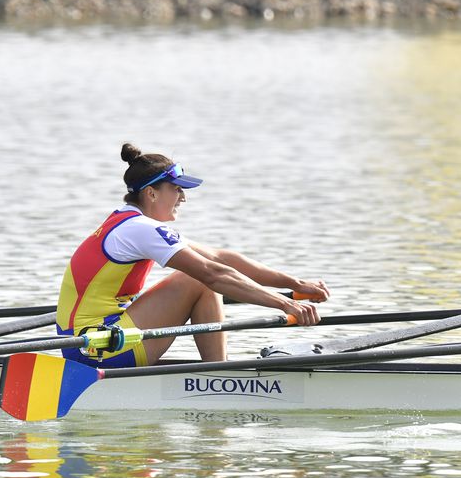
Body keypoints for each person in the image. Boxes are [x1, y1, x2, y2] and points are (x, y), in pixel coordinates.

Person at [56, 143, 329, 368]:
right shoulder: (140, 229)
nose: (183, 197)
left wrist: (294, 284)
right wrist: (286, 305)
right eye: (176, 189)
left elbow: (222, 259)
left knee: (204, 275)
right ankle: (219, 376)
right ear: (151, 193)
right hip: (95, 348)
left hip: (101, 339)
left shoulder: (131, 222)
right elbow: (213, 273)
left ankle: (218, 372)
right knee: (199, 279)